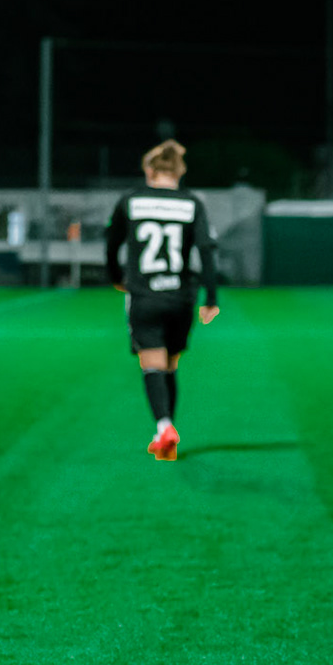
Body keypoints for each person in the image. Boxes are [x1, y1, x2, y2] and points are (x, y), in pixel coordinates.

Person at [103, 140, 220, 461]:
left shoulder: (131, 200)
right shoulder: (192, 203)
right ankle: (165, 437)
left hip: (145, 296)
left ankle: (164, 426)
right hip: (181, 297)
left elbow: (111, 242)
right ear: (179, 172)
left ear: (150, 170)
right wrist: (210, 297)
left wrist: (116, 277)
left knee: (152, 364)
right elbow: (205, 249)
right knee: (170, 364)